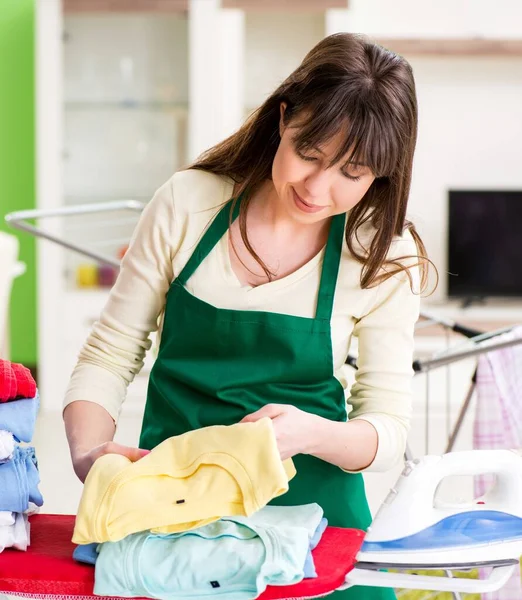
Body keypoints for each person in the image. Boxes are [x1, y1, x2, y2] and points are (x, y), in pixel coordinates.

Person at [63, 32, 430, 599]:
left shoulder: (382, 254)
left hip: (317, 520)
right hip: (178, 505)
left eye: (351, 174)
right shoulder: (189, 204)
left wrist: (308, 432)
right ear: (284, 118)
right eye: (309, 152)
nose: (317, 188)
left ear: (382, 173)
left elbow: (386, 430)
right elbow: (110, 350)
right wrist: (90, 456)